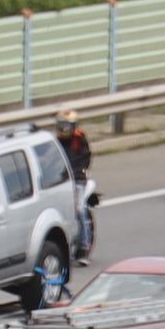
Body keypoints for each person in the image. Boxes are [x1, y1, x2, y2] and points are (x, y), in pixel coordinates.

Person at [55, 111, 96, 261]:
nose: (64, 129)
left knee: (79, 209)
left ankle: (84, 246)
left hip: (77, 179)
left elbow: (85, 158)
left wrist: (77, 170)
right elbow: (50, 158)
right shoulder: (57, 141)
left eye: (67, 126)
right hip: (61, 179)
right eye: (62, 125)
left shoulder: (79, 139)